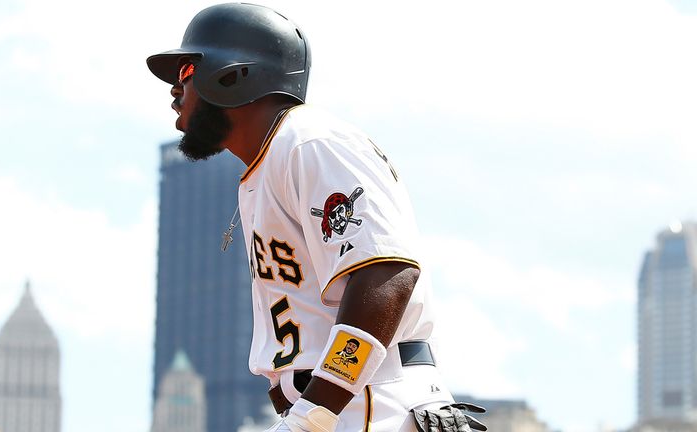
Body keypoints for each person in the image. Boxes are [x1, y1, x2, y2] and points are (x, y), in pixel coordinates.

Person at [146, 3, 485, 432]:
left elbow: (386, 275)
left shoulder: (312, 143)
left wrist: (315, 413)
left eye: (186, 73)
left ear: (232, 75)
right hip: (340, 405)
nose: (175, 91)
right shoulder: (266, 166)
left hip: (370, 403)